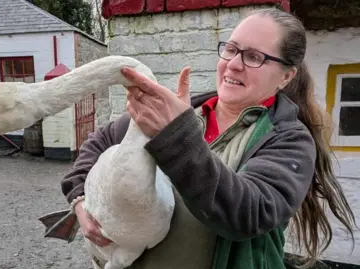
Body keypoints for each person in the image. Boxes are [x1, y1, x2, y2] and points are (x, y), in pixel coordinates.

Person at [60, 7, 356, 269]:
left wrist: (175, 134)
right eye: (231, 49)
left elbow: (247, 214)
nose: (234, 64)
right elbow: (99, 141)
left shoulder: (289, 140)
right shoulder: (188, 111)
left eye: (254, 57)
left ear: (286, 77)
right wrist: (79, 202)